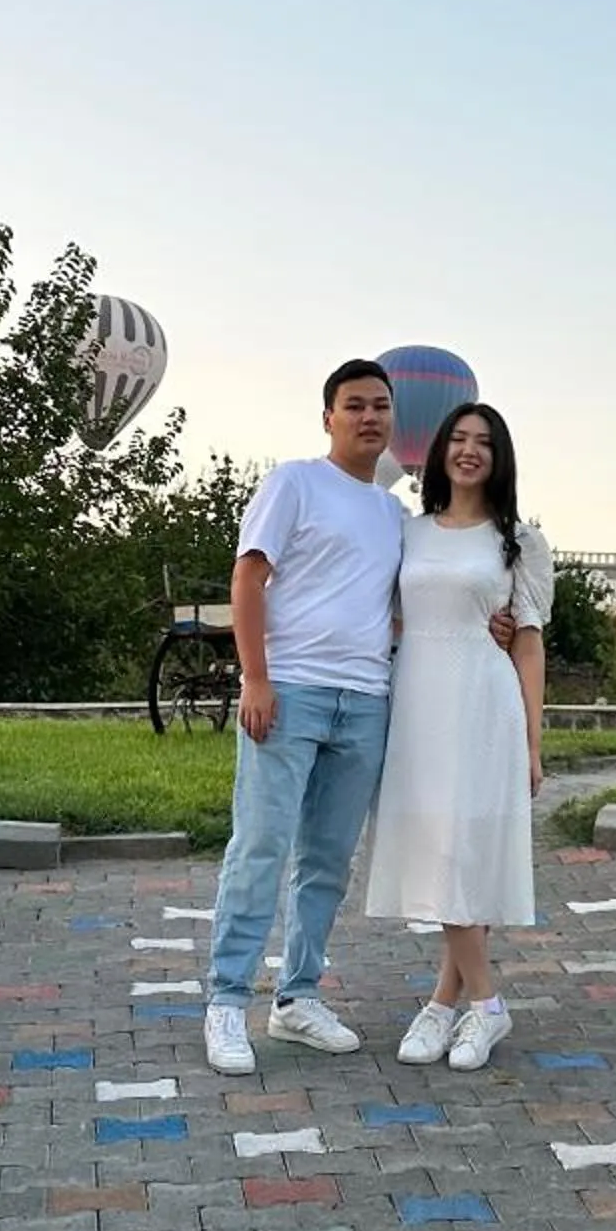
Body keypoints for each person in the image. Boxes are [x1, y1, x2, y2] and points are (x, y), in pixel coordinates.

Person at [203, 361, 406, 1074]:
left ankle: (296, 998)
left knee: (327, 860)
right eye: (354, 406)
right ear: (328, 417)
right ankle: (226, 1001)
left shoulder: (393, 513)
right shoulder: (293, 481)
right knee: (260, 846)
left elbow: (401, 612)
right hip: (289, 691)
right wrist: (254, 678)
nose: (369, 417)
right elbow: (247, 577)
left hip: (366, 700)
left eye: (381, 406)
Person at [365, 401, 553, 1070]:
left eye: (484, 443)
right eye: (458, 439)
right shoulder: (408, 534)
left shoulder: (519, 543)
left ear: (500, 459)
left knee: (462, 851)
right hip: (418, 705)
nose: (469, 451)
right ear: (440, 450)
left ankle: (476, 1007)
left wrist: (532, 742)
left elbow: (527, 646)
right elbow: (389, 619)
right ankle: (455, 1004)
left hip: (483, 703)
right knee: (438, 849)